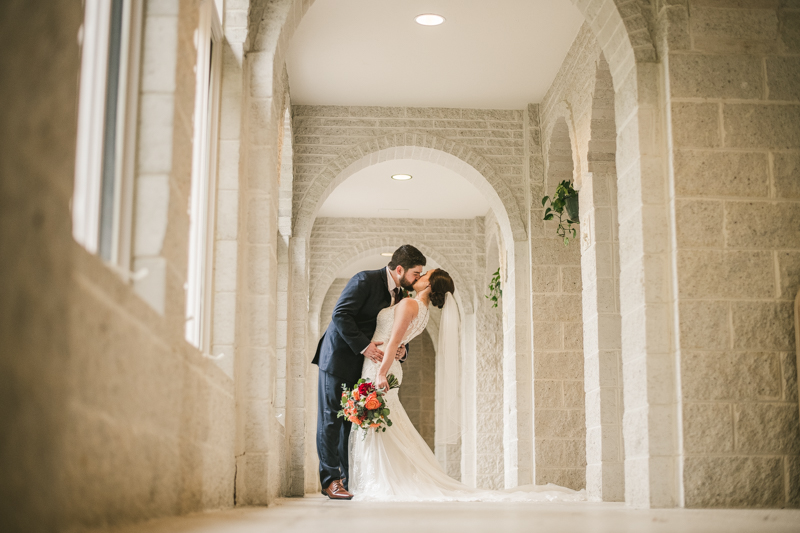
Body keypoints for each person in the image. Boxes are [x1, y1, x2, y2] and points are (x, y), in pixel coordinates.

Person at [348, 268, 586, 503]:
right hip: (385, 365)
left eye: (425, 275)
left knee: (381, 424)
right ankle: (384, 479)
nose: (420, 277)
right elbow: (397, 345)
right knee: (385, 424)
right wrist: (394, 356)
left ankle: (383, 480)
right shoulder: (424, 313)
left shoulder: (411, 305)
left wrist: (381, 373)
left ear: (430, 286)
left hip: (381, 367)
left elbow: (394, 343)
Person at [312, 244, 426, 500]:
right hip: (338, 358)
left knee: (349, 424)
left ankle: (346, 481)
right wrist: (364, 347)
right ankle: (331, 481)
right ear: (400, 269)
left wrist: (401, 351)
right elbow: (340, 315)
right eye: (415, 273)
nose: (417, 278)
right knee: (331, 419)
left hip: (363, 365)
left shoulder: (399, 294)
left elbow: (394, 330)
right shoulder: (364, 279)